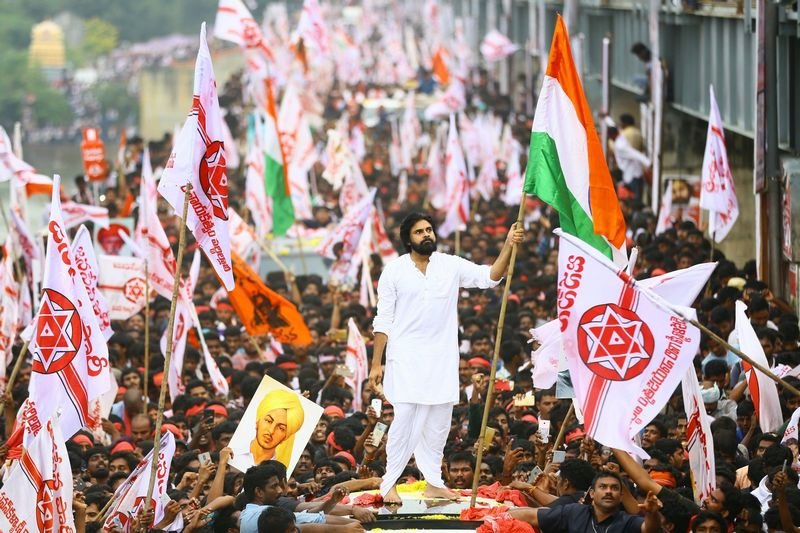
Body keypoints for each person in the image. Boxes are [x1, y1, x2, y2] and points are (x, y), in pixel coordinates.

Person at [368, 212, 524, 503]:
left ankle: (434, 482)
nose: (426, 235)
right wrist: (376, 363)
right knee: (406, 420)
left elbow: (490, 277)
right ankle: (389, 483)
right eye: (419, 232)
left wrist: (507, 244)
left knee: (439, 422)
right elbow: (383, 320)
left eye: (429, 230)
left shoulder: (449, 264)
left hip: (442, 358)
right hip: (406, 358)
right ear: (407, 240)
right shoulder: (394, 271)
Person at [508, 470, 663, 532]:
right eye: (603, 487)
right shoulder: (573, 512)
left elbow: (648, 528)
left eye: (614, 488)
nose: (609, 491)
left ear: (621, 496)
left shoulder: (627, 522)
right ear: (592, 493)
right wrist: (491, 517)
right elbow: (532, 516)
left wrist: (652, 514)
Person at [248, 389, 305, 466]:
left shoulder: (278, 472)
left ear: (285, 437)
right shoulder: (232, 453)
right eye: (268, 421)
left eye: (281, 428)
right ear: (258, 421)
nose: (271, 431)